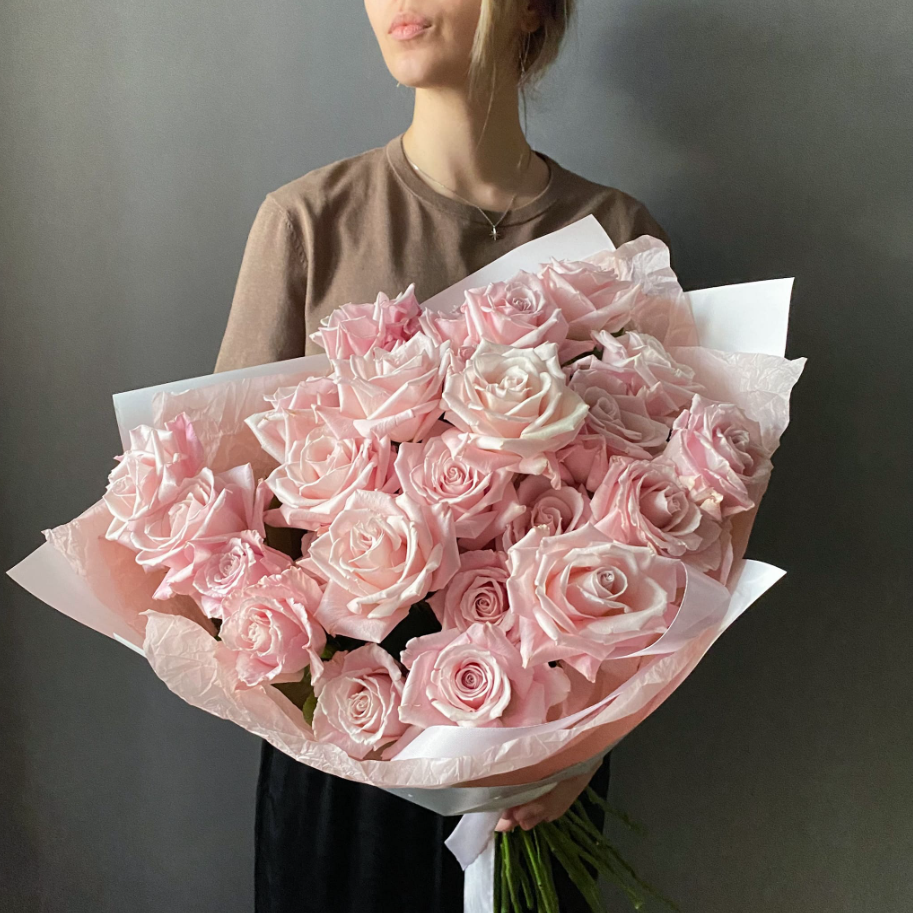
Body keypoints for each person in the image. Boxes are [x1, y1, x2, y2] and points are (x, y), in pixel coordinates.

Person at [214, 2, 672, 910]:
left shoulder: (615, 233)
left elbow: (668, 526)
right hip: (349, 754)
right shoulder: (309, 223)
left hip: (539, 771)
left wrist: (588, 740)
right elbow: (229, 538)